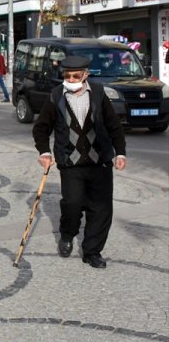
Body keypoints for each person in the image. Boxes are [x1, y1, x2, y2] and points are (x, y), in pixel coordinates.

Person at [32, 55, 127, 269]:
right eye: (67, 75)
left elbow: (114, 126)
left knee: (100, 208)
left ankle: (92, 251)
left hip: (99, 162)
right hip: (70, 163)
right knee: (72, 204)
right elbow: (41, 128)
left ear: (86, 75)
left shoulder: (99, 93)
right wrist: (44, 151)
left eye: (76, 76)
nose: (71, 79)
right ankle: (67, 234)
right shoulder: (56, 96)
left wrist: (120, 153)